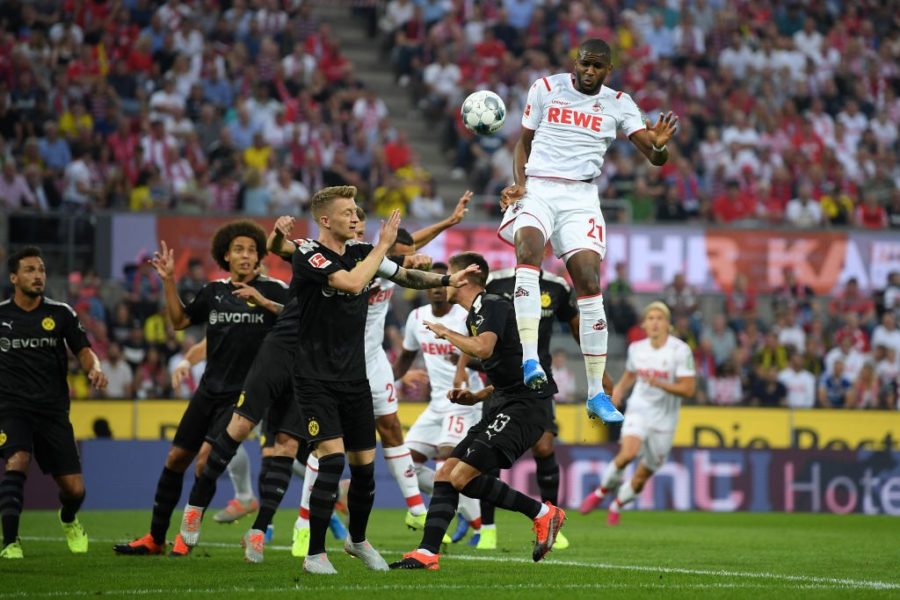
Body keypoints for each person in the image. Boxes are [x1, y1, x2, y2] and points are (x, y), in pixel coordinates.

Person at [288, 186, 479, 575]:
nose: (356, 218)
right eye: (347, 213)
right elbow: (353, 283)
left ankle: (357, 541)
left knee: (363, 468)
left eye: (358, 212)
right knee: (332, 460)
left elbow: (405, 274)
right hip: (314, 377)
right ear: (326, 220)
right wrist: (383, 245)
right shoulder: (309, 252)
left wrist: (446, 281)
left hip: (355, 376)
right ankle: (315, 554)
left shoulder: (361, 252)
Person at [498, 38, 677, 424]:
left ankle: (596, 392)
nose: (589, 71)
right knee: (527, 251)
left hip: (581, 197)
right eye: (585, 64)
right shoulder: (545, 89)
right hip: (540, 188)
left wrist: (660, 149)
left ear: (608, 70)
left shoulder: (619, 103)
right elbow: (522, 145)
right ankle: (531, 359)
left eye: (597, 66)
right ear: (575, 62)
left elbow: (654, 154)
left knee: (589, 281)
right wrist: (520, 184)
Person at [114, 221, 288, 557]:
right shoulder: (214, 292)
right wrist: (168, 281)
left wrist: (265, 303)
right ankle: (154, 537)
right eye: (239, 249)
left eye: (252, 249)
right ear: (226, 255)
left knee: (204, 462)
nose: (246, 255)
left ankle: (186, 533)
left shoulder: (276, 290)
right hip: (209, 390)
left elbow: (299, 318)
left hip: (243, 396)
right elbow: (180, 322)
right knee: (176, 458)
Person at [390, 252, 566, 571]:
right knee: (447, 474)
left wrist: (446, 333)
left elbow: (483, 349)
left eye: (450, 277)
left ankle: (542, 514)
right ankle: (427, 553)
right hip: (506, 400)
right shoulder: (477, 314)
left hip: (527, 405)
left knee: (459, 475)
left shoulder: (493, 304)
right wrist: (475, 396)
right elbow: (505, 367)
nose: (443, 284)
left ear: (467, 277)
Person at [0, 246, 108, 559]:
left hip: (52, 411)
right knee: (17, 459)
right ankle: (10, 543)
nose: (38, 276)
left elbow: (84, 351)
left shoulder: (60, 313)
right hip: (11, 408)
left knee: (75, 490)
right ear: (14, 277)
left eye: (42, 270)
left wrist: (95, 369)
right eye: (30, 270)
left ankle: (69, 518)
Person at [579, 302, 696, 525]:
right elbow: (630, 375)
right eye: (650, 318)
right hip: (639, 409)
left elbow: (688, 389)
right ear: (644, 324)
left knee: (642, 476)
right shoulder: (636, 349)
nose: (654, 322)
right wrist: (618, 393)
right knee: (628, 453)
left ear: (667, 324)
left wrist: (660, 384)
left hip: (665, 419)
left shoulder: (680, 350)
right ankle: (601, 493)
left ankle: (617, 504)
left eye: (659, 318)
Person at [393, 262, 485, 540]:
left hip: (464, 400)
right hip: (436, 403)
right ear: (423, 288)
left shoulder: (465, 316)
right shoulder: (416, 318)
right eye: (431, 284)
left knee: (449, 457)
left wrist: (464, 361)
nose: (437, 290)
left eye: (442, 284)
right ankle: (459, 508)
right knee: (406, 463)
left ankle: (478, 525)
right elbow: (405, 358)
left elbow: (486, 354)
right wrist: (392, 383)